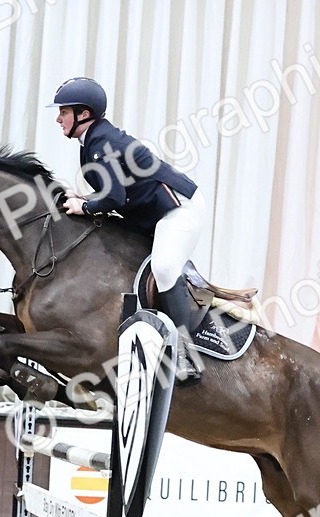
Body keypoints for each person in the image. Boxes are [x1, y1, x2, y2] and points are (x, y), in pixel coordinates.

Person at [48, 77, 206, 385]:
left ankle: (186, 355)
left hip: (179, 209)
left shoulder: (100, 144)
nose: (58, 118)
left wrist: (86, 206)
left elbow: (115, 198)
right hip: (152, 210)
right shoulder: (93, 141)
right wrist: (87, 201)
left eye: (63, 112)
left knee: (163, 267)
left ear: (83, 114)